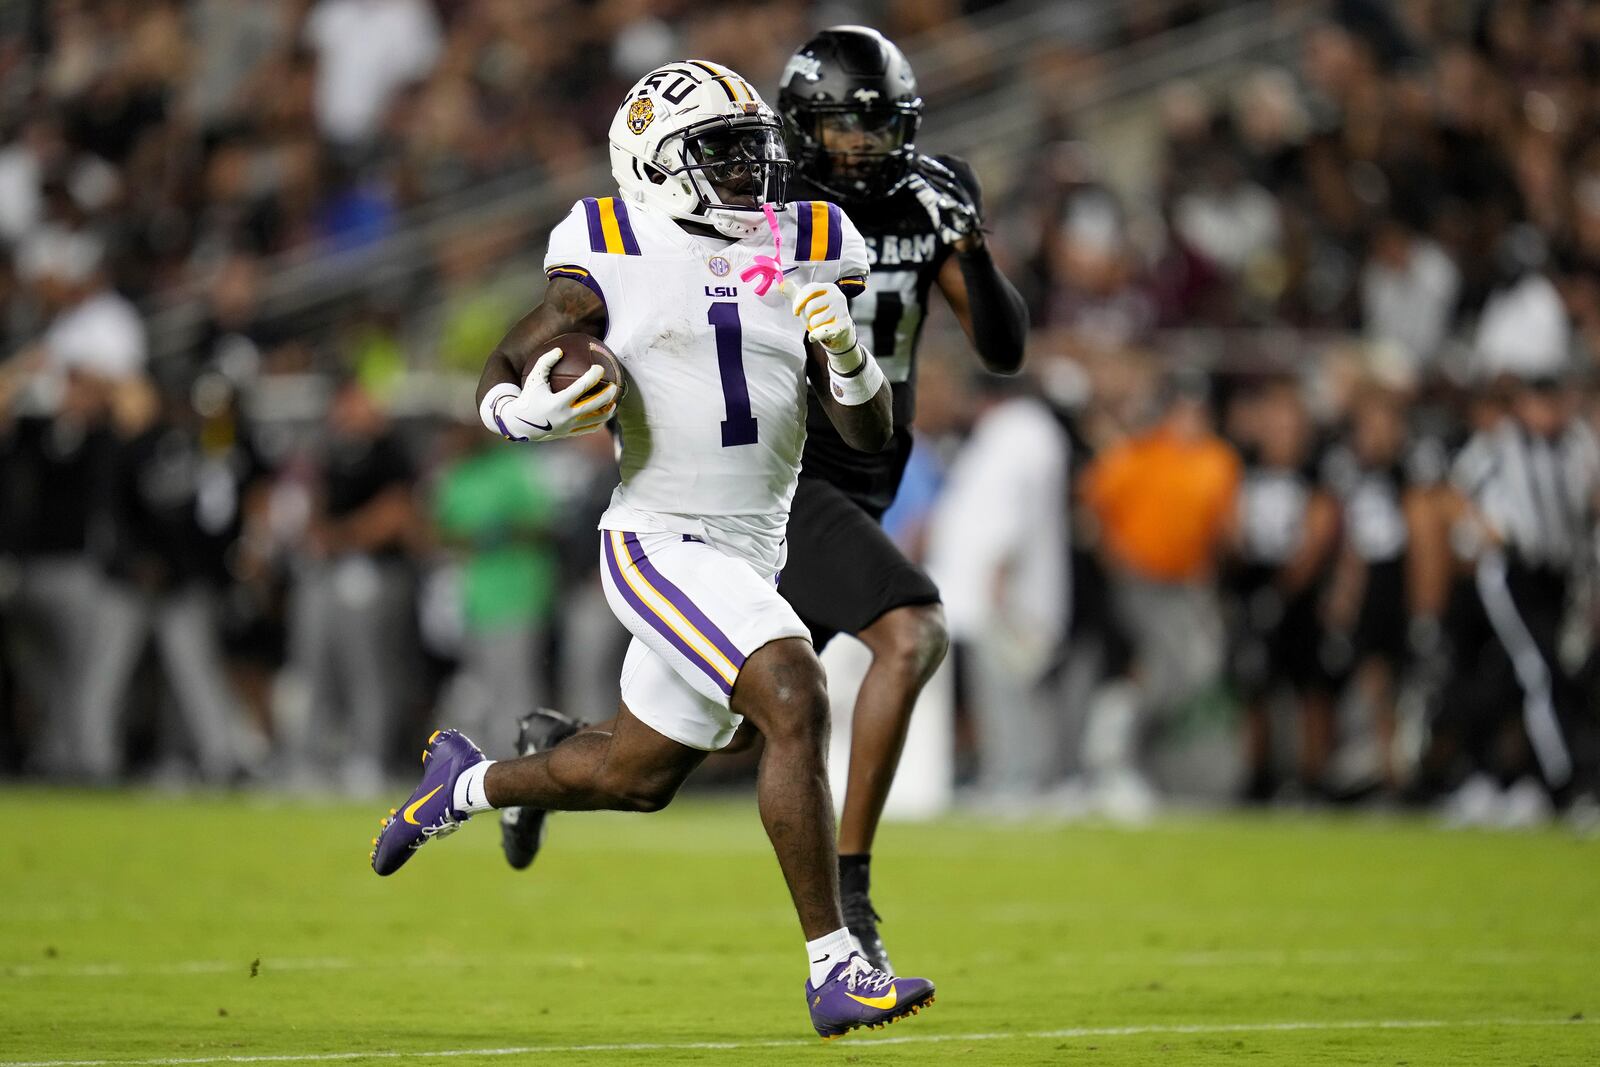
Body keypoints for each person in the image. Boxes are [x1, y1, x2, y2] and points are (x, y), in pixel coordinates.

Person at [370, 61, 935, 1039]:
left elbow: (870, 434)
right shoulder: (610, 240)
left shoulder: (811, 238)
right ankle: (835, 965)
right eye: (719, 150)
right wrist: (525, 411)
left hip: (749, 547)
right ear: (654, 161)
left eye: (756, 147)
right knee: (794, 691)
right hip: (659, 537)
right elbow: (510, 360)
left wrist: (847, 355)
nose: (750, 169)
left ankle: (462, 783)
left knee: (635, 775)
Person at [765, 25, 1026, 970]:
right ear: (802, 127)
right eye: (845, 128)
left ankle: (532, 767)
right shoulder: (770, 199)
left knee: (686, 745)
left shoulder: (929, 195)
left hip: (867, 479)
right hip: (786, 476)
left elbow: (1001, 349)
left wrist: (972, 241)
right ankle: (852, 891)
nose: (866, 146)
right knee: (912, 631)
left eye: (882, 127)